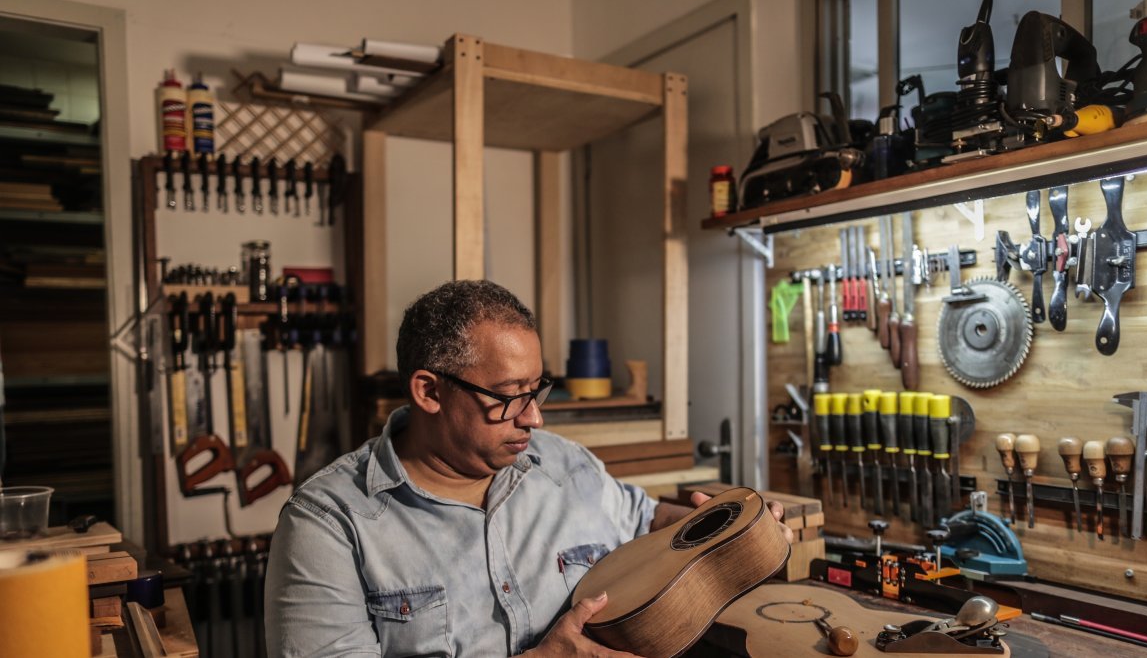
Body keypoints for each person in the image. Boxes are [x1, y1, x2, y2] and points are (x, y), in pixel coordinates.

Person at [265, 280, 792, 657]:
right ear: (429, 391)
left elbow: (646, 519)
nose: (534, 417)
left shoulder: (565, 465)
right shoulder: (328, 523)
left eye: (537, 389)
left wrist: (724, 529)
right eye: (510, 397)